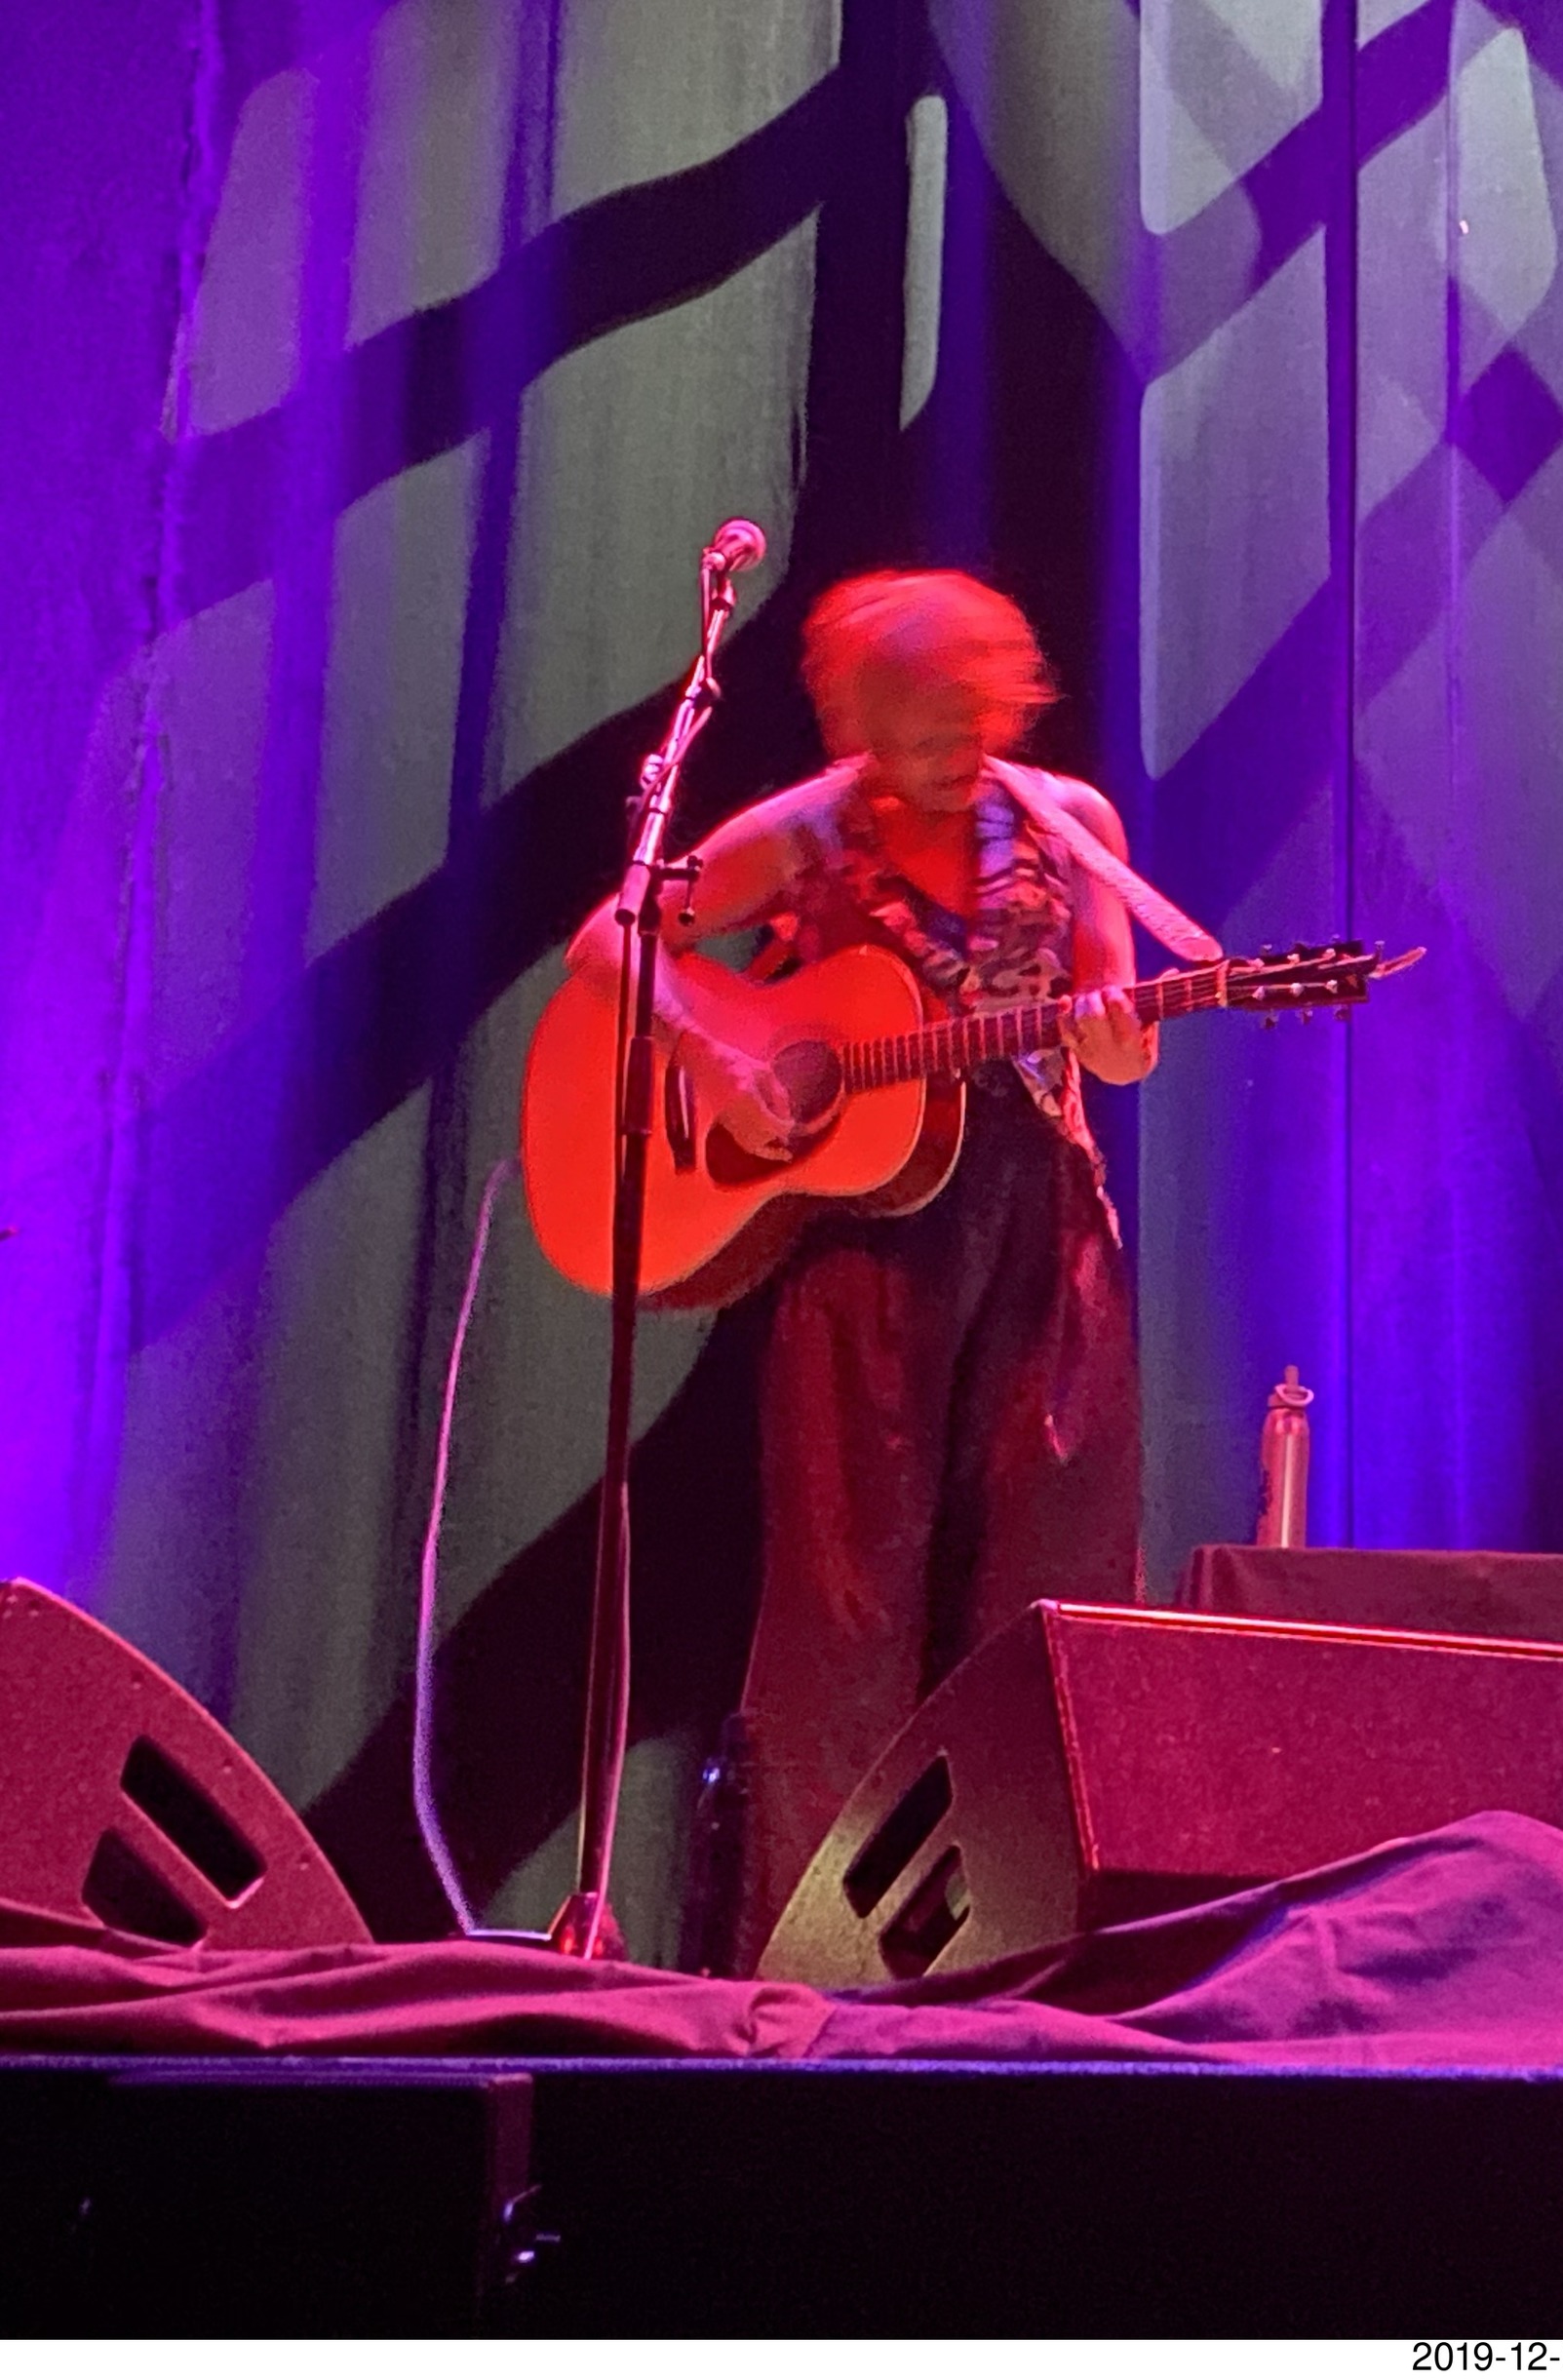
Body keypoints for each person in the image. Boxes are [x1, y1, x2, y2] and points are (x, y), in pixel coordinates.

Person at [566, 568, 1152, 1974]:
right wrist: (719, 1056)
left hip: (1042, 1229)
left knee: (1048, 1588)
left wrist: (1121, 1028)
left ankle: (1026, 1953)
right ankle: (813, 1965)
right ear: (862, 727)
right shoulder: (807, 831)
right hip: (867, 1255)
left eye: (971, 723)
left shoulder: (1070, 824)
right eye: (918, 733)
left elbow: (1122, 1040)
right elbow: (612, 941)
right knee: (846, 1613)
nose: (953, 754)